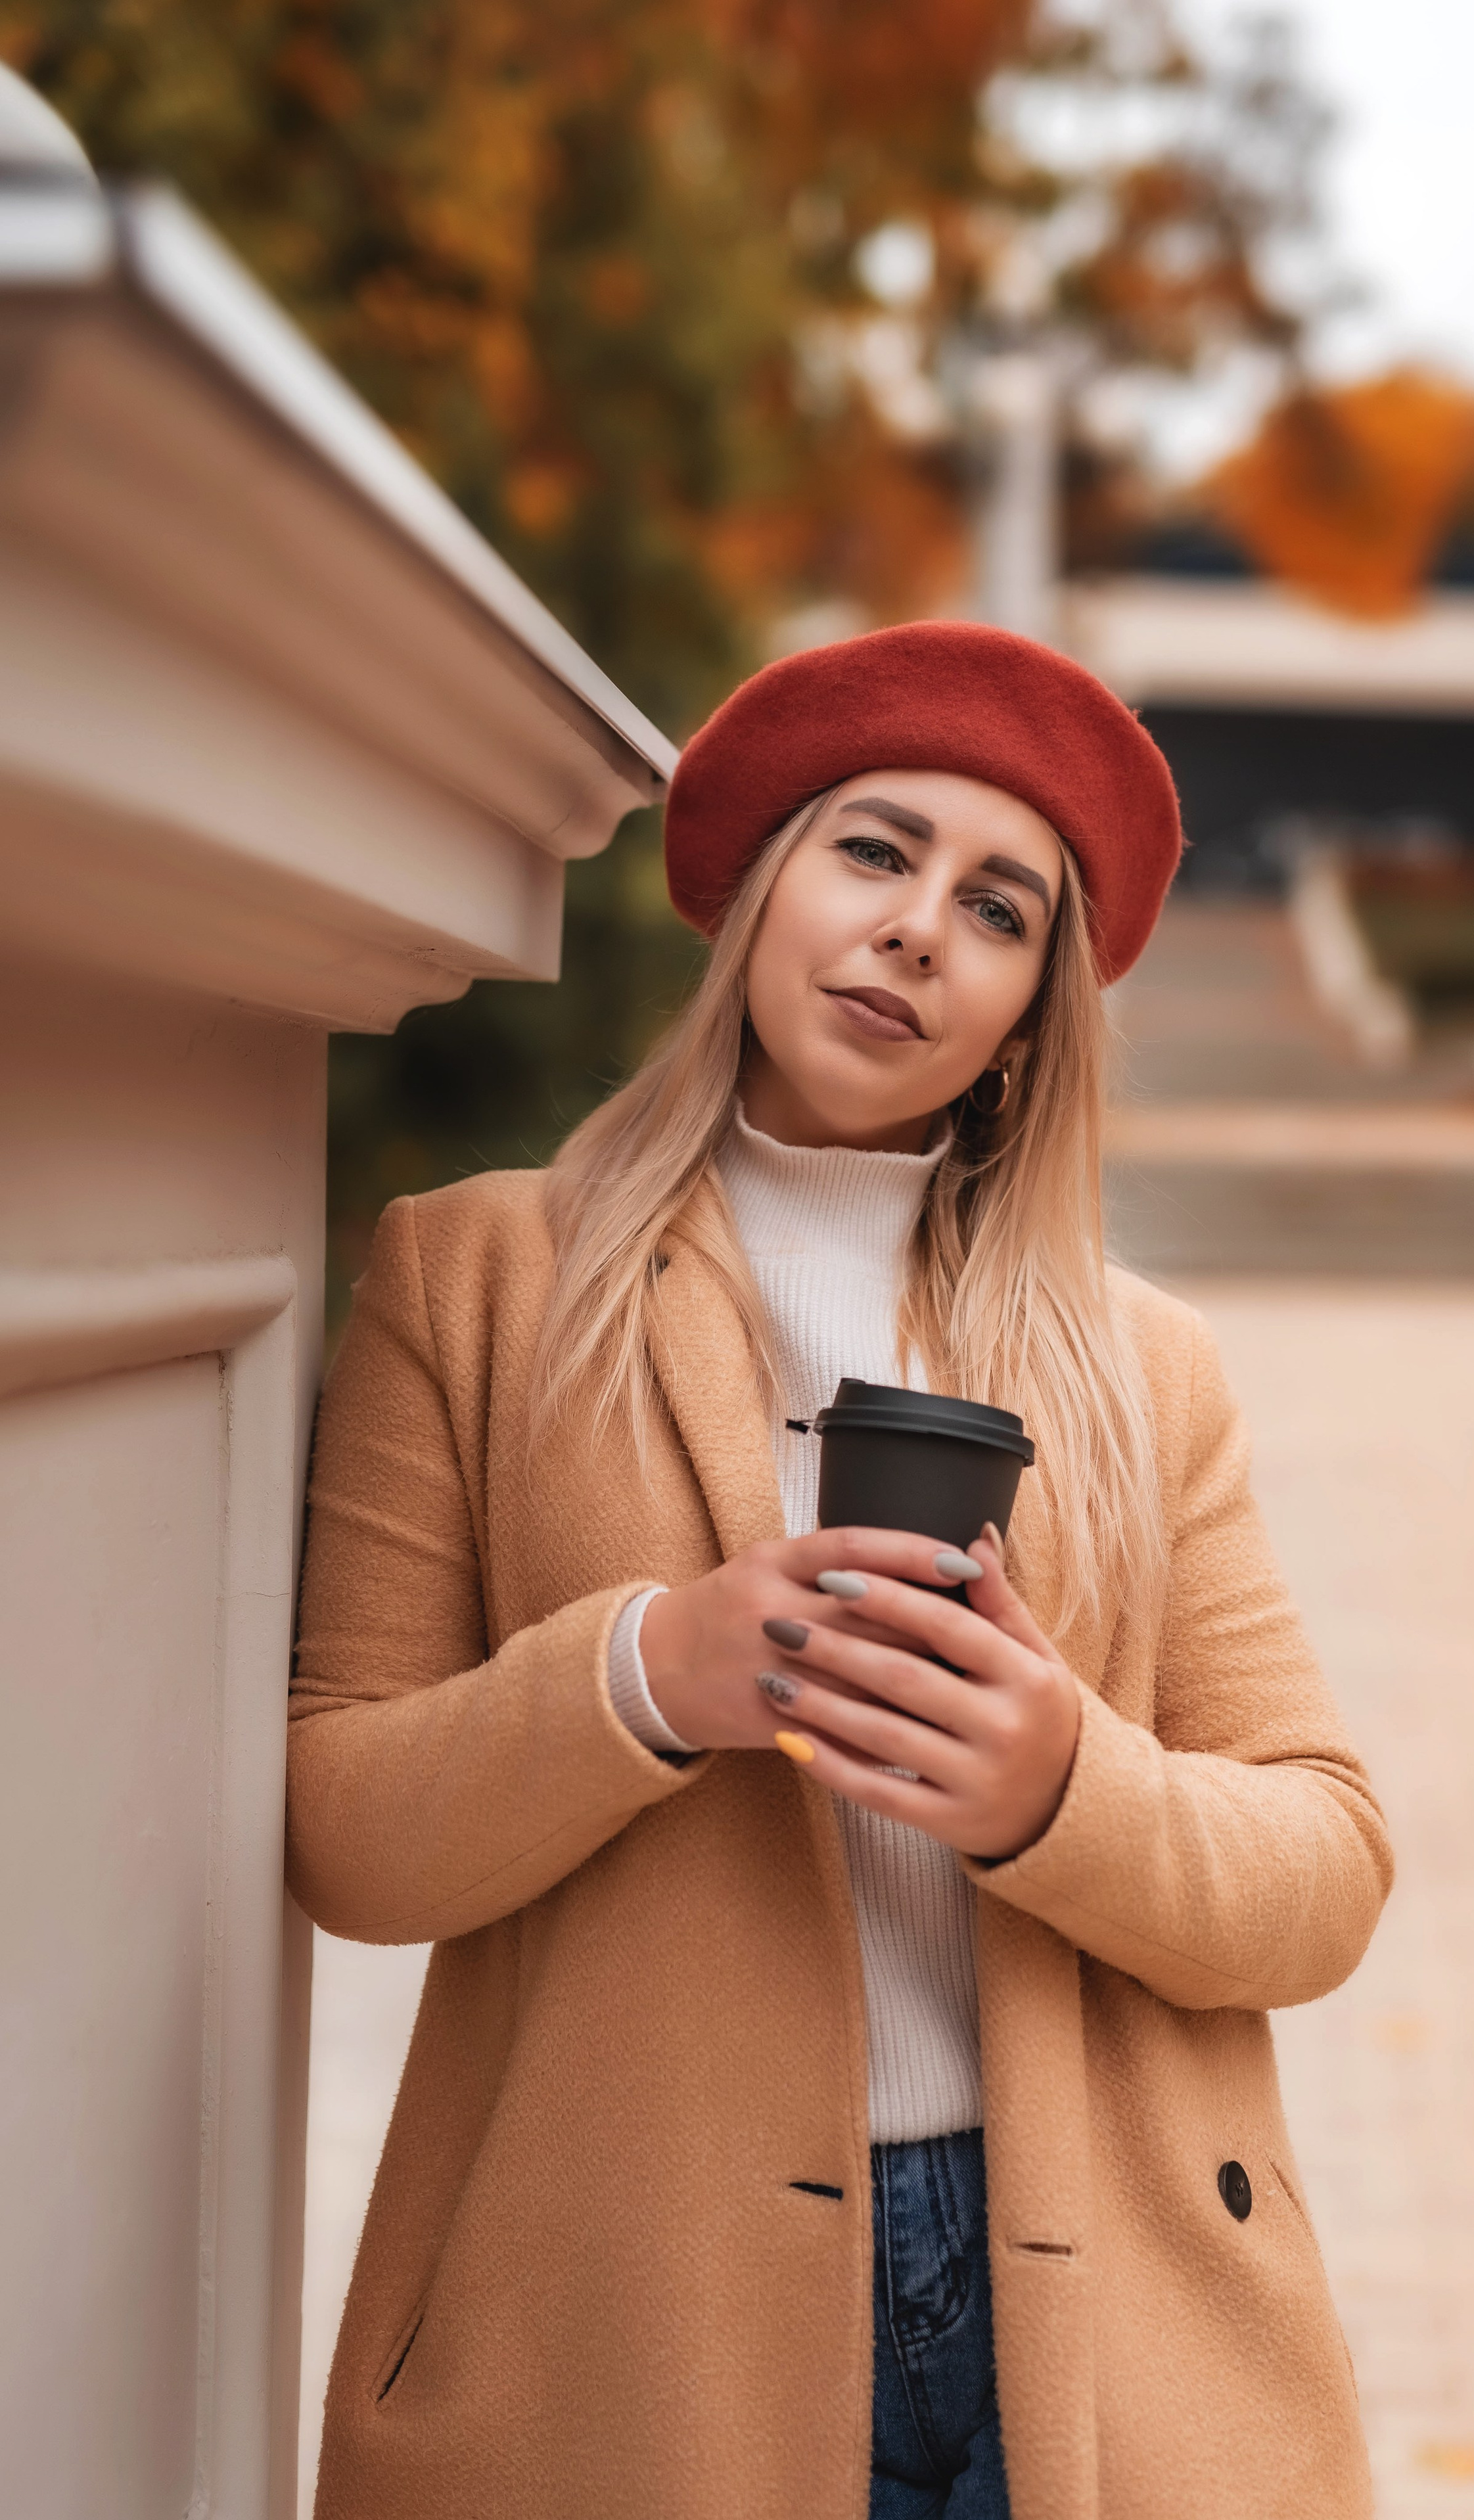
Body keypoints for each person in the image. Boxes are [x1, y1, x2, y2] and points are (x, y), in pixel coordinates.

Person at [288, 621, 1393, 2520]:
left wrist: (1065, 1786)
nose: (915, 931)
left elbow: (1326, 1862)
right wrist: (646, 1673)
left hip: (1102, 2326)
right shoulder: (471, 1282)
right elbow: (344, 1829)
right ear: (760, 890)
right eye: (873, 851)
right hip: (623, 2320)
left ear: (1034, 1002)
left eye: (998, 905)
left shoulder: (1143, 1367)